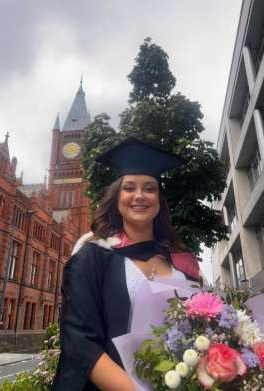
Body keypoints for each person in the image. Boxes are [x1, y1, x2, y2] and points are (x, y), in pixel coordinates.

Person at [53, 137, 201, 390]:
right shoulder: (92, 257)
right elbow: (80, 342)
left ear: (159, 200)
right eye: (129, 188)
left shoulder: (181, 261)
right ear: (117, 198)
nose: (140, 196)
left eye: (150, 188)